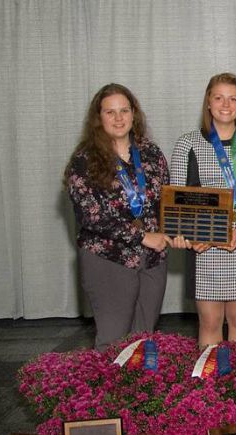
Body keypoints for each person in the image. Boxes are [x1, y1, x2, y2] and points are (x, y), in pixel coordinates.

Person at [65, 83, 171, 350]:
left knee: (143, 340)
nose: (119, 118)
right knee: (112, 340)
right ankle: (106, 392)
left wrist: (178, 231)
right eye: (110, 112)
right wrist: (141, 236)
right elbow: (92, 216)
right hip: (108, 258)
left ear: (134, 114)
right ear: (98, 118)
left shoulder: (151, 153)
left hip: (152, 259)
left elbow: (166, 202)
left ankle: (139, 391)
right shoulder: (84, 160)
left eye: (124, 110)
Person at [170, 73, 236, 347]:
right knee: (210, 322)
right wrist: (191, 236)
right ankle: (209, 388)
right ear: (208, 102)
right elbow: (176, 200)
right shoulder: (186, 144)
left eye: (233, 98)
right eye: (219, 97)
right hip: (203, 244)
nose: (226, 104)